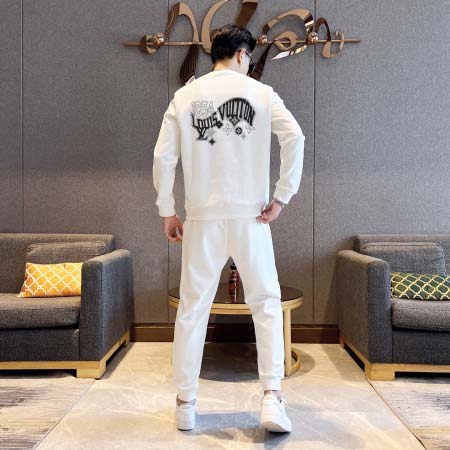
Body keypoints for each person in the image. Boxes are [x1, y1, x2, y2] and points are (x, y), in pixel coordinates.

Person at [152, 23, 305, 433]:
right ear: (241, 54)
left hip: (202, 217)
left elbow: (163, 156)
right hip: (252, 216)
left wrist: (167, 209)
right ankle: (271, 396)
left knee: (192, 308)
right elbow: (295, 137)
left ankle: (186, 403)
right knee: (266, 304)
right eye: (249, 58)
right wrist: (282, 196)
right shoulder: (262, 94)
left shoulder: (185, 96)